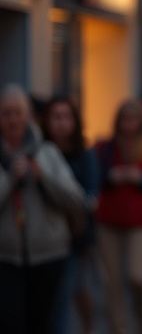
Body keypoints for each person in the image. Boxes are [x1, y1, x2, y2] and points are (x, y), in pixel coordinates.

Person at [0, 84, 85, 334]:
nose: (13, 119)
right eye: (6, 113)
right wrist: (9, 180)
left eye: (18, 112)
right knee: (9, 322)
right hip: (6, 258)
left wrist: (42, 175)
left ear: (28, 116)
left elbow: (75, 199)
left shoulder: (47, 152)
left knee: (41, 324)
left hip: (49, 255)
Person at [94, 99, 142, 334]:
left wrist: (140, 178)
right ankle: (120, 328)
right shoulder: (105, 147)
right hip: (108, 220)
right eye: (124, 118)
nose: (128, 124)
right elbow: (93, 177)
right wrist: (111, 177)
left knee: (137, 277)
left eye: (133, 118)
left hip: (139, 222)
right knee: (112, 281)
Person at [42, 96, 100, 334]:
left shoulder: (85, 156)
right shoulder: (40, 152)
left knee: (69, 292)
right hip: (44, 236)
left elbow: (90, 197)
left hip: (75, 237)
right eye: (56, 117)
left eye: (66, 117)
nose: (61, 123)